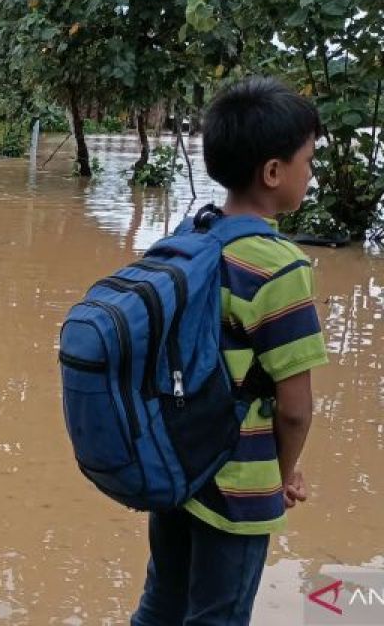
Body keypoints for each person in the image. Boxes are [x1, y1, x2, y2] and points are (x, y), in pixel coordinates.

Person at [132, 77, 327, 626]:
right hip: (238, 484)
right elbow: (294, 407)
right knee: (217, 617)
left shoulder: (185, 235)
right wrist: (283, 476)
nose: (310, 175)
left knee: (160, 604)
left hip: (176, 468)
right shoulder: (280, 267)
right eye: (307, 162)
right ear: (272, 172)